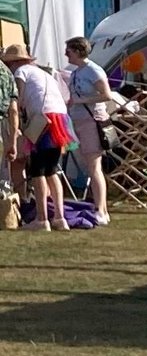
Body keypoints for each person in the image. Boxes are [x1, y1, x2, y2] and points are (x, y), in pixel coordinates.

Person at [2, 44, 73, 231]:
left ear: (15, 63)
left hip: (42, 121)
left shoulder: (20, 74)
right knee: (52, 170)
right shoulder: (43, 73)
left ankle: (42, 219)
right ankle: (60, 217)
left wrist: (17, 126)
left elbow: (17, 100)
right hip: (59, 119)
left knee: (38, 171)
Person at [64, 36, 113, 226]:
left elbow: (106, 95)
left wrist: (79, 101)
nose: (66, 54)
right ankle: (101, 209)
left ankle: (101, 210)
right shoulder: (76, 72)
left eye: (68, 51)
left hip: (91, 121)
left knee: (94, 167)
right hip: (78, 120)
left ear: (77, 51)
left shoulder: (93, 70)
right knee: (88, 166)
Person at [1, 58, 22, 200]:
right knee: (2, 176)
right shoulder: (7, 73)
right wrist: (13, 141)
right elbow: (14, 110)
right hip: (2, 125)